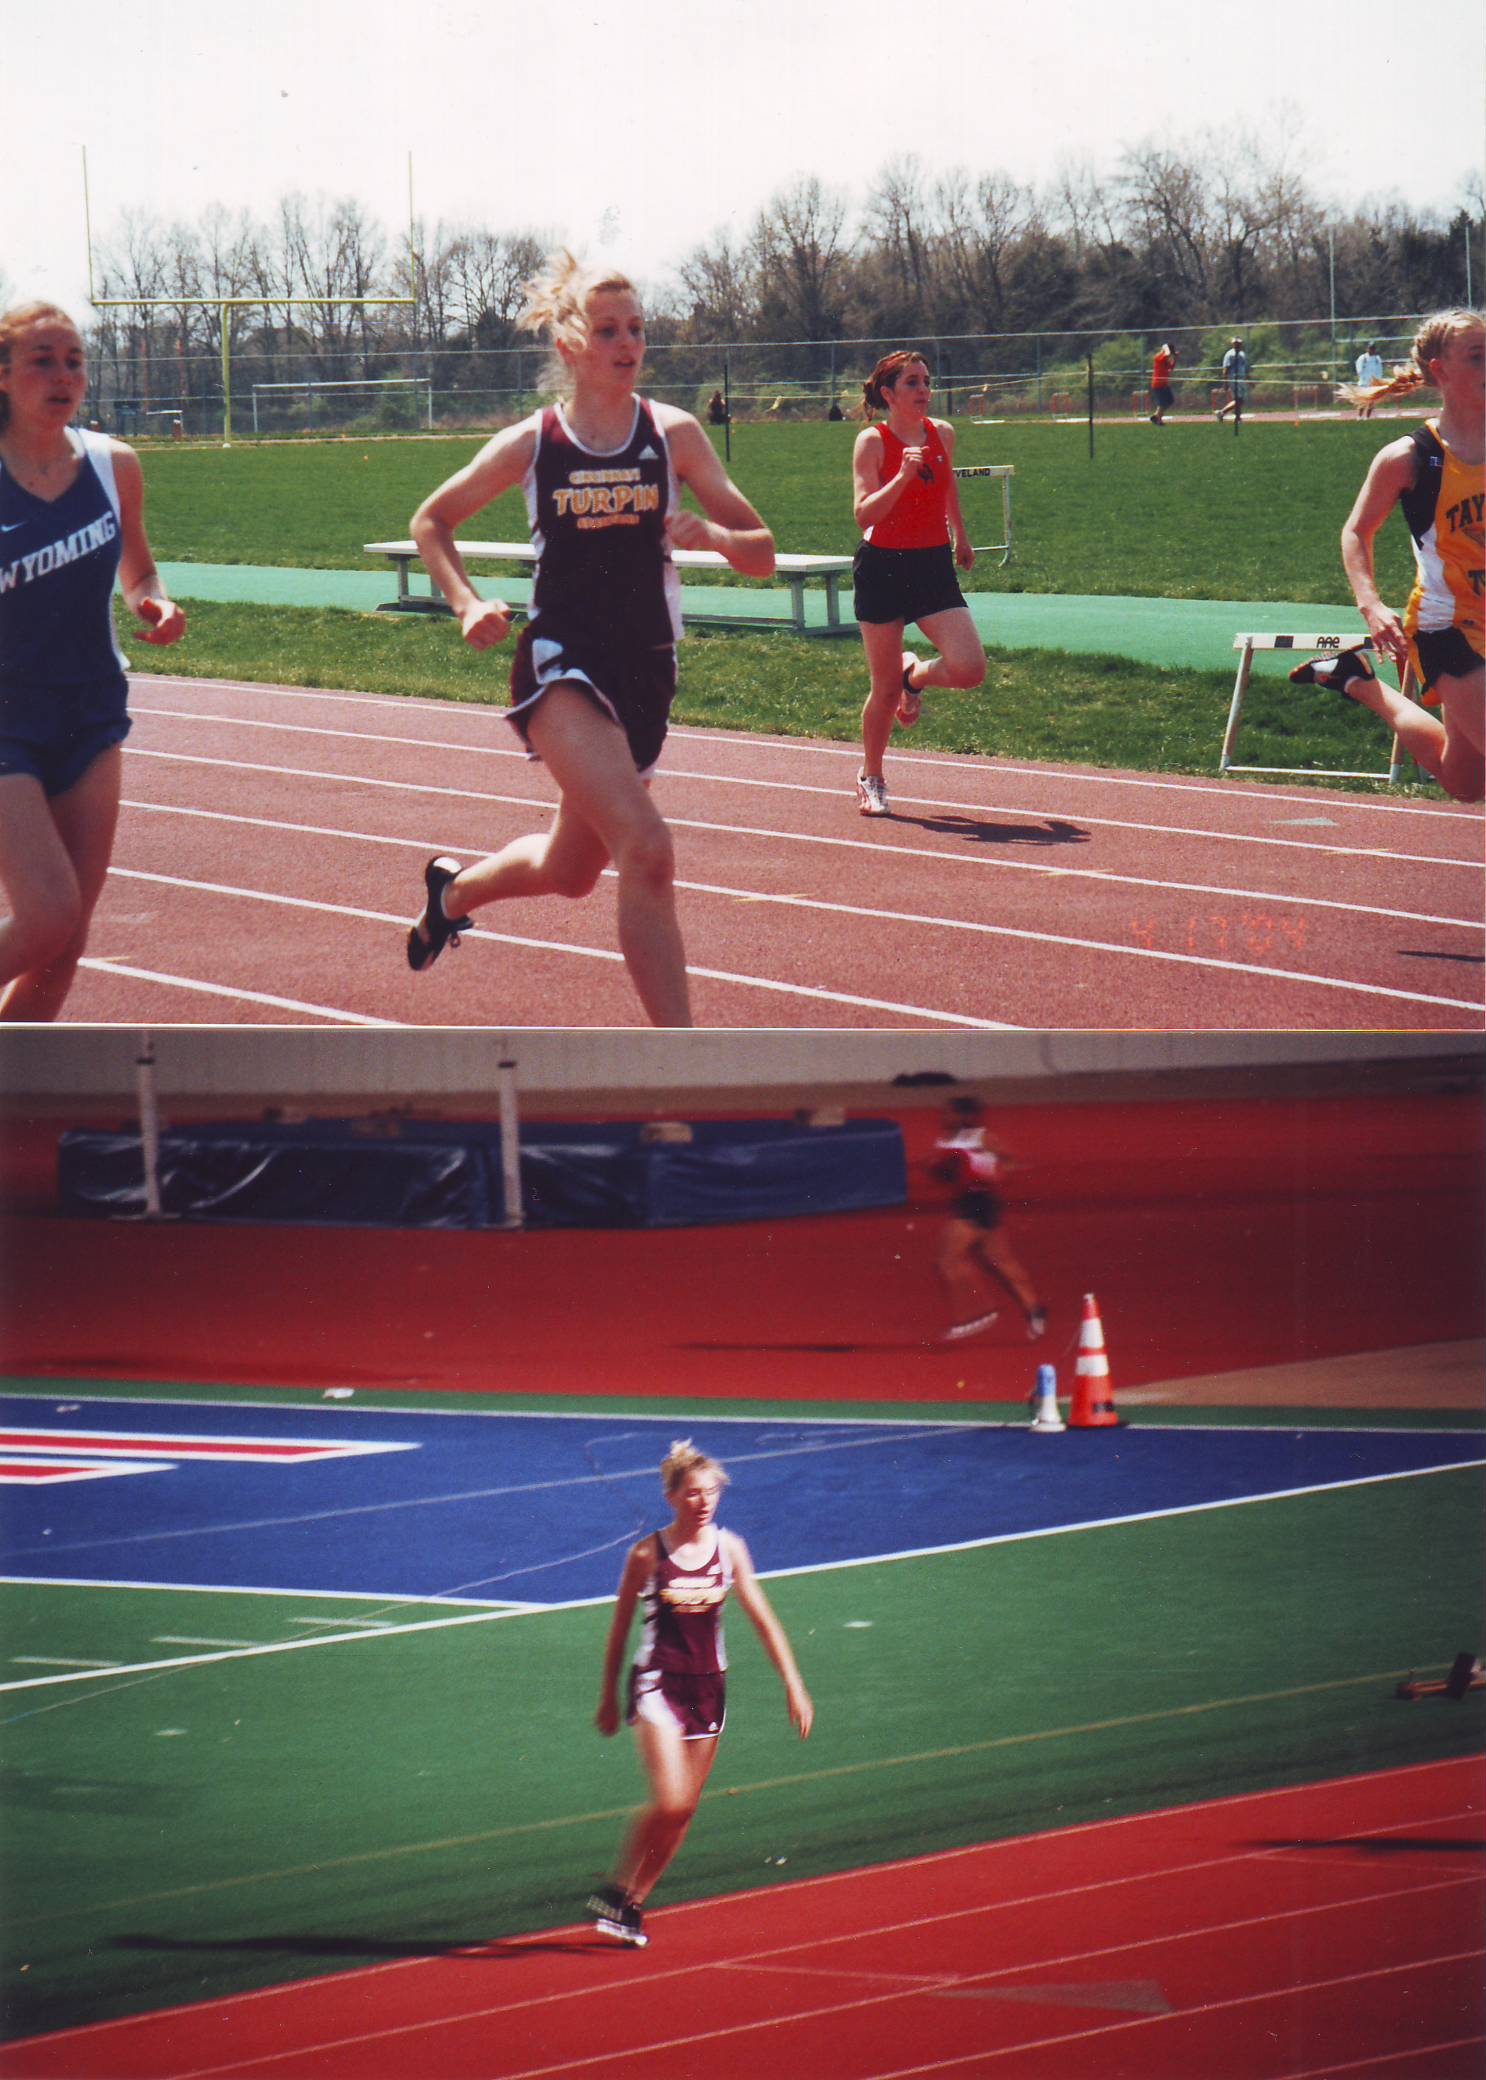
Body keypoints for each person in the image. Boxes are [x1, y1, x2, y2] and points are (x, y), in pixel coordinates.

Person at [403, 252, 774, 1027]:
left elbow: (762, 550)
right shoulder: (534, 443)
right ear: (570, 346)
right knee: (647, 847)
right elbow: (431, 521)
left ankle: (453, 894)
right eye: (607, 330)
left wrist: (711, 534)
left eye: (636, 328)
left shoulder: (673, 435)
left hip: (646, 673)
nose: (627, 342)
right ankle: (681, 1068)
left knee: (569, 870)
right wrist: (466, 601)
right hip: (560, 665)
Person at [0, 302, 185, 1022]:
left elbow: (139, 573)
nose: (63, 374)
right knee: (45, 914)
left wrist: (154, 604)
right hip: (7, 719)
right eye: (43, 359)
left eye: (74, 359)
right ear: (5, 375)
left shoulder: (114, 466)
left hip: (90, 715)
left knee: (64, 949)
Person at [590, 1440, 813, 1948]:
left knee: (685, 1809)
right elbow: (620, 1627)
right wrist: (607, 1695)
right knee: (669, 1801)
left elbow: (763, 1618)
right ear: (672, 1497)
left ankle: (629, 1904)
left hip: (708, 1686)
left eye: (712, 1491)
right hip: (657, 1684)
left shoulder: (729, 1549)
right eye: (693, 1493)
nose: (704, 1501)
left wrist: (794, 1684)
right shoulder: (647, 1554)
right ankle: (616, 1885)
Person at [1290, 309, 1484, 804]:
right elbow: (1356, 531)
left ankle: (1356, 681)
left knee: (1465, 783)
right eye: (1479, 358)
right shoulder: (1411, 457)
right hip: (1450, 628)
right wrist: (1371, 605)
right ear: (1441, 370)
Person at [850, 351, 984, 816]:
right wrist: (904, 475)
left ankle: (916, 676)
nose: (923, 390)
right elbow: (864, 513)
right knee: (883, 691)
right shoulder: (873, 441)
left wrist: (961, 536)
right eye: (911, 382)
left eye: (926, 381)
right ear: (888, 394)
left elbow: (946, 484)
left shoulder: (943, 433)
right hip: (882, 566)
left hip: (931, 563)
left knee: (970, 668)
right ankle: (872, 776)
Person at [930, 1094, 1046, 1343]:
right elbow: (946, 1174)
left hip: (977, 1203)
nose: (944, 1116)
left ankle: (977, 1312)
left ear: (964, 1115)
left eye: (949, 1112)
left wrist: (993, 1173)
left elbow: (1010, 1160)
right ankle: (1035, 1310)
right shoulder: (944, 1140)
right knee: (1000, 1261)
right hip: (969, 1203)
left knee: (947, 1260)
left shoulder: (981, 1138)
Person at [1216, 336, 1248, 424]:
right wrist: (1225, 382)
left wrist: (1247, 377)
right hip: (1234, 378)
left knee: (1240, 400)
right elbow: (1226, 369)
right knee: (1239, 400)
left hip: (1241, 379)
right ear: (1233, 344)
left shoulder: (1242, 354)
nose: (1237, 345)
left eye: (1239, 343)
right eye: (1236, 343)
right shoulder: (1230, 354)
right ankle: (1224, 413)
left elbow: (1244, 367)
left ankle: (1236, 417)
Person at [1353, 341, 1385, 419]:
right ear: (1367, 349)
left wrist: (1377, 381)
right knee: (1362, 401)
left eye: (1373, 348)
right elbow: (1359, 370)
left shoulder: (1377, 359)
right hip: (1363, 383)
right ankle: (1359, 417)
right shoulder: (1362, 358)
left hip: (1372, 384)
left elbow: (1379, 371)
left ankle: (1367, 417)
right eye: (1370, 348)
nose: (1372, 350)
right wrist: (1363, 377)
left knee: (1371, 402)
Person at [1149, 342, 1178, 424]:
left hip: (1164, 384)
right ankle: (1158, 418)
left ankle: (1156, 416)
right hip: (1158, 384)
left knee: (1170, 400)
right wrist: (1169, 353)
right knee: (1163, 402)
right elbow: (1165, 354)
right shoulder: (1158, 356)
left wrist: (1174, 358)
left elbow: (1171, 367)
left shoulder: (1166, 359)